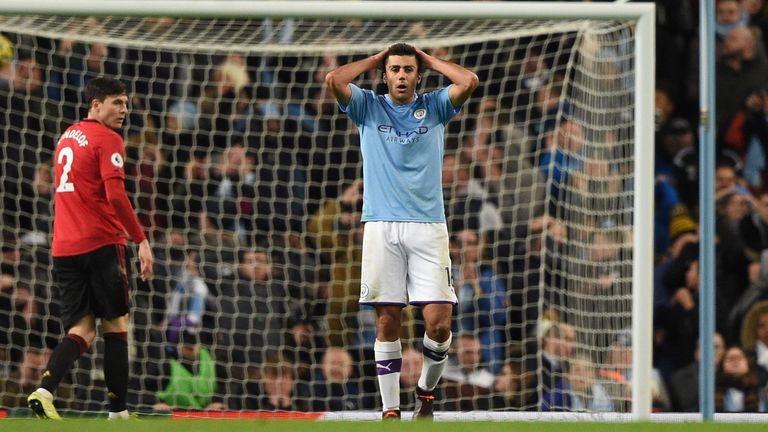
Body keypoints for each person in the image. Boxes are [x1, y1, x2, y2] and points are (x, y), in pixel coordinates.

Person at [325, 42, 479, 420]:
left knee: (440, 323)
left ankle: (425, 392)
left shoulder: (437, 105)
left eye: (408, 69)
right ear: (385, 74)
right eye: (394, 69)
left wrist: (427, 58)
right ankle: (390, 410)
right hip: (381, 225)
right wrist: (376, 58)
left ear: (417, 74)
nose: (401, 75)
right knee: (386, 319)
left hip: (429, 226)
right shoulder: (368, 107)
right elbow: (334, 79)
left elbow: (469, 80)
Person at [26, 77, 154, 420]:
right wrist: (140, 238)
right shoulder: (108, 139)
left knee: (80, 329)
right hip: (100, 243)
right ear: (96, 104)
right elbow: (115, 195)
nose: (124, 110)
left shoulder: (67, 136)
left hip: (64, 247)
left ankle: (43, 391)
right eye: (116, 102)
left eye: (126, 103)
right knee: (116, 326)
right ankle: (119, 413)